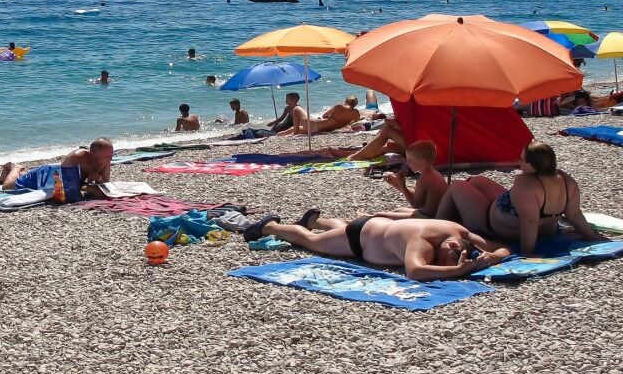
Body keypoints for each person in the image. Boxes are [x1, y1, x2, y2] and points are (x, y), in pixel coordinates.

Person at [244, 212, 510, 282]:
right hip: (359, 238)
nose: (446, 263)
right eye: (449, 258)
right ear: (451, 245)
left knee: (337, 232)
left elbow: (502, 248)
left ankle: (316, 220)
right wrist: (459, 271)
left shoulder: (459, 232)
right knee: (310, 242)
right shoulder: (422, 242)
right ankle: (270, 226)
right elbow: (416, 271)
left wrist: (490, 257)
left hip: (375, 226)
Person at [436, 141, 601, 253]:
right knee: (477, 180)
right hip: (545, 228)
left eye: (522, 160)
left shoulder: (526, 184)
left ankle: (436, 224)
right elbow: (574, 214)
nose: (518, 162)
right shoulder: (566, 180)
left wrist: (527, 252)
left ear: (532, 165)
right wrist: (591, 236)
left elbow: (529, 221)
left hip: (492, 226)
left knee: (457, 186)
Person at [0, 138, 114, 199]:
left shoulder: (103, 160)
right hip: (47, 176)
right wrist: (91, 187)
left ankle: (21, 173)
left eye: (111, 154)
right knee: (8, 187)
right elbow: (69, 194)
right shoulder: (77, 157)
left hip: (60, 175)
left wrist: (99, 180)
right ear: (93, 154)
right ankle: (15, 167)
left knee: (24, 176)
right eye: (107, 156)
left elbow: (105, 184)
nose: (110, 158)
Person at [378, 140, 448, 218]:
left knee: (381, 215)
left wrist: (402, 185)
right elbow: (419, 197)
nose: (407, 163)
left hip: (426, 217)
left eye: (410, 160)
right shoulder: (434, 174)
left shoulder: (423, 180)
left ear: (422, 162)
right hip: (433, 214)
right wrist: (396, 183)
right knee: (398, 210)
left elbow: (415, 204)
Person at [344, 115, 408, 161]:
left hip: (415, 146)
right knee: (388, 146)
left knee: (387, 130)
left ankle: (357, 156)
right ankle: (356, 154)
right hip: (414, 144)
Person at [293, 96, 361, 135]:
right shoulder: (356, 113)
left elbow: (324, 116)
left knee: (297, 108)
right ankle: (283, 133)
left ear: (346, 101)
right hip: (319, 130)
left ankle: (295, 134)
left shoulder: (339, 106)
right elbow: (356, 122)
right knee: (293, 129)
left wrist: (331, 118)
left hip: (314, 125)